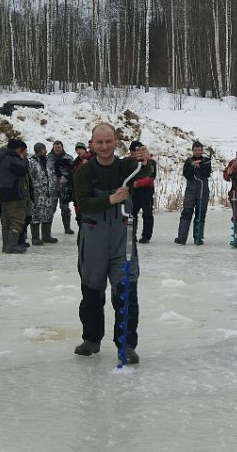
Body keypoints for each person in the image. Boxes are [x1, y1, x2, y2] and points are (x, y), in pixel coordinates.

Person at [73, 123, 152, 363]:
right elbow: (84, 203)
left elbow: (146, 172)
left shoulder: (126, 167)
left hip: (122, 240)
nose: (105, 146)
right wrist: (112, 198)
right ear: (92, 144)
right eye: (100, 142)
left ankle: (126, 345)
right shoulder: (84, 172)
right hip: (93, 239)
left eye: (109, 142)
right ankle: (91, 339)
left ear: (116, 142)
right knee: (92, 293)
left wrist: (146, 160)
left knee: (126, 292)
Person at [0, 139, 30, 254]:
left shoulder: (1, 158)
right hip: (14, 193)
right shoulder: (11, 159)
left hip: (3, 192)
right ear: (19, 149)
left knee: (7, 220)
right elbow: (22, 170)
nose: (26, 153)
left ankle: (6, 245)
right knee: (17, 220)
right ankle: (12, 245)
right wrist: (24, 160)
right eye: (25, 150)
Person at [175, 140, 211, 245]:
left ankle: (198, 237)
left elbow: (207, 174)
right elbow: (186, 174)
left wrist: (200, 166)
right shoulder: (188, 161)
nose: (197, 152)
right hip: (190, 191)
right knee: (186, 213)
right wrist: (192, 166)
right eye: (195, 150)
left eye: (199, 150)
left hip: (202, 191)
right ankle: (182, 237)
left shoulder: (207, 160)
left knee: (200, 214)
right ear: (192, 150)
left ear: (202, 150)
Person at [28, 142, 58, 245]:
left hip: (49, 192)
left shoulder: (49, 161)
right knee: (36, 214)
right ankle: (35, 237)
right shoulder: (31, 162)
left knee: (48, 213)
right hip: (37, 193)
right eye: (43, 149)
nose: (45, 151)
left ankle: (46, 236)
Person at [129, 140, 157, 243]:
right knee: (131, 213)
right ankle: (132, 234)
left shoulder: (151, 162)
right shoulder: (130, 163)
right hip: (134, 192)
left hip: (147, 191)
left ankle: (146, 236)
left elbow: (151, 177)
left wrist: (137, 183)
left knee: (147, 214)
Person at [48, 140, 76, 235]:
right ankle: (47, 231)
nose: (57, 149)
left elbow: (72, 172)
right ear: (53, 148)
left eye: (59, 147)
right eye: (55, 147)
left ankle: (67, 228)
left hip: (65, 187)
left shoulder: (68, 158)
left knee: (65, 208)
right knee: (51, 208)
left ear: (62, 147)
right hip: (52, 187)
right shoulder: (48, 158)